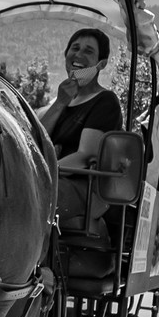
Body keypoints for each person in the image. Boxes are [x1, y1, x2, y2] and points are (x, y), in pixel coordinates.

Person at [40, 27, 123, 230]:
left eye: (88, 51)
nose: (78, 55)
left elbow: (85, 156)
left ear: (101, 64)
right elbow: (35, 141)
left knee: (30, 197)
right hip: (52, 178)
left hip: (83, 189)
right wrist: (60, 103)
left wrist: (43, 172)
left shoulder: (105, 101)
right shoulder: (58, 102)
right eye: (74, 48)